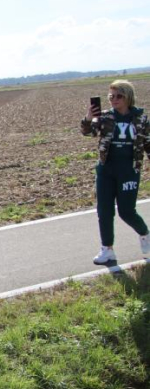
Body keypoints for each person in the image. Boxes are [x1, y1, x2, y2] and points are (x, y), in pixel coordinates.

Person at [82, 79, 150, 264]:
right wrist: (88, 118)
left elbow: (148, 144)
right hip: (106, 170)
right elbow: (88, 132)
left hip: (129, 171)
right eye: (111, 96)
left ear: (128, 97)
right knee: (104, 211)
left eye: (118, 96)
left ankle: (145, 234)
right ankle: (107, 250)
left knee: (127, 212)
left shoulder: (141, 119)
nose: (114, 99)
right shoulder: (105, 117)